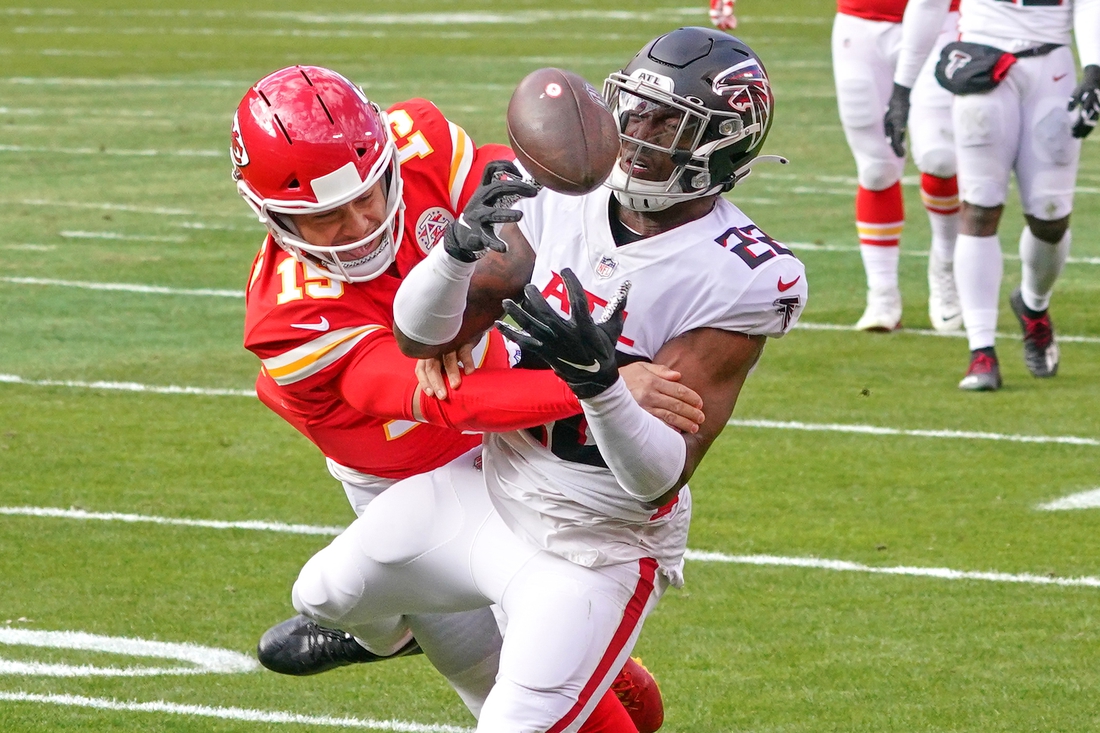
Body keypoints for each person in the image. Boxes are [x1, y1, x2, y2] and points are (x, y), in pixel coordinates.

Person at [287, 28, 807, 732]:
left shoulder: (740, 273)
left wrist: (600, 386)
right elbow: (420, 337)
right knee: (321, 592)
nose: (636, 134)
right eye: (632, 109)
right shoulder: (557, 193)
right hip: (489, 486)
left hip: (595, 542)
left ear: (723, 145)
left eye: (669, 122)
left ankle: (593, 671)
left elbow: (659, 476)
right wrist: (453, 254)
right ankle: (599, 675)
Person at [231, 65, 701, 730]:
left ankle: (538, 650)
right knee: (478, 671)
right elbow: (451, 401)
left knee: (562, 680)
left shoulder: (418, 138)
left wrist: (475, 299)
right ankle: (384, 634)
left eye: (370, 194)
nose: (363, 223)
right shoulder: (288, 317)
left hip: (504, 446)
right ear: (271, 215)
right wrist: (596, 384)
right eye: (325, 217)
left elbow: (508, 186)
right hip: (399, 478)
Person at [890, 0, 1098, 390]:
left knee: (1050, 216)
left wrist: (1094, 71)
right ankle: (981, 349)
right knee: (980, 206)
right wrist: (902, 87)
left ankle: (1033, 304)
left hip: (1051, 63)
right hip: (984, 59)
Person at [832, 0, 963, 332]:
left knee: (940, 157)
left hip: (941, 22)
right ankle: (882, 293)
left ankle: (947, 266)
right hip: (859, 23)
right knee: (876, 169)